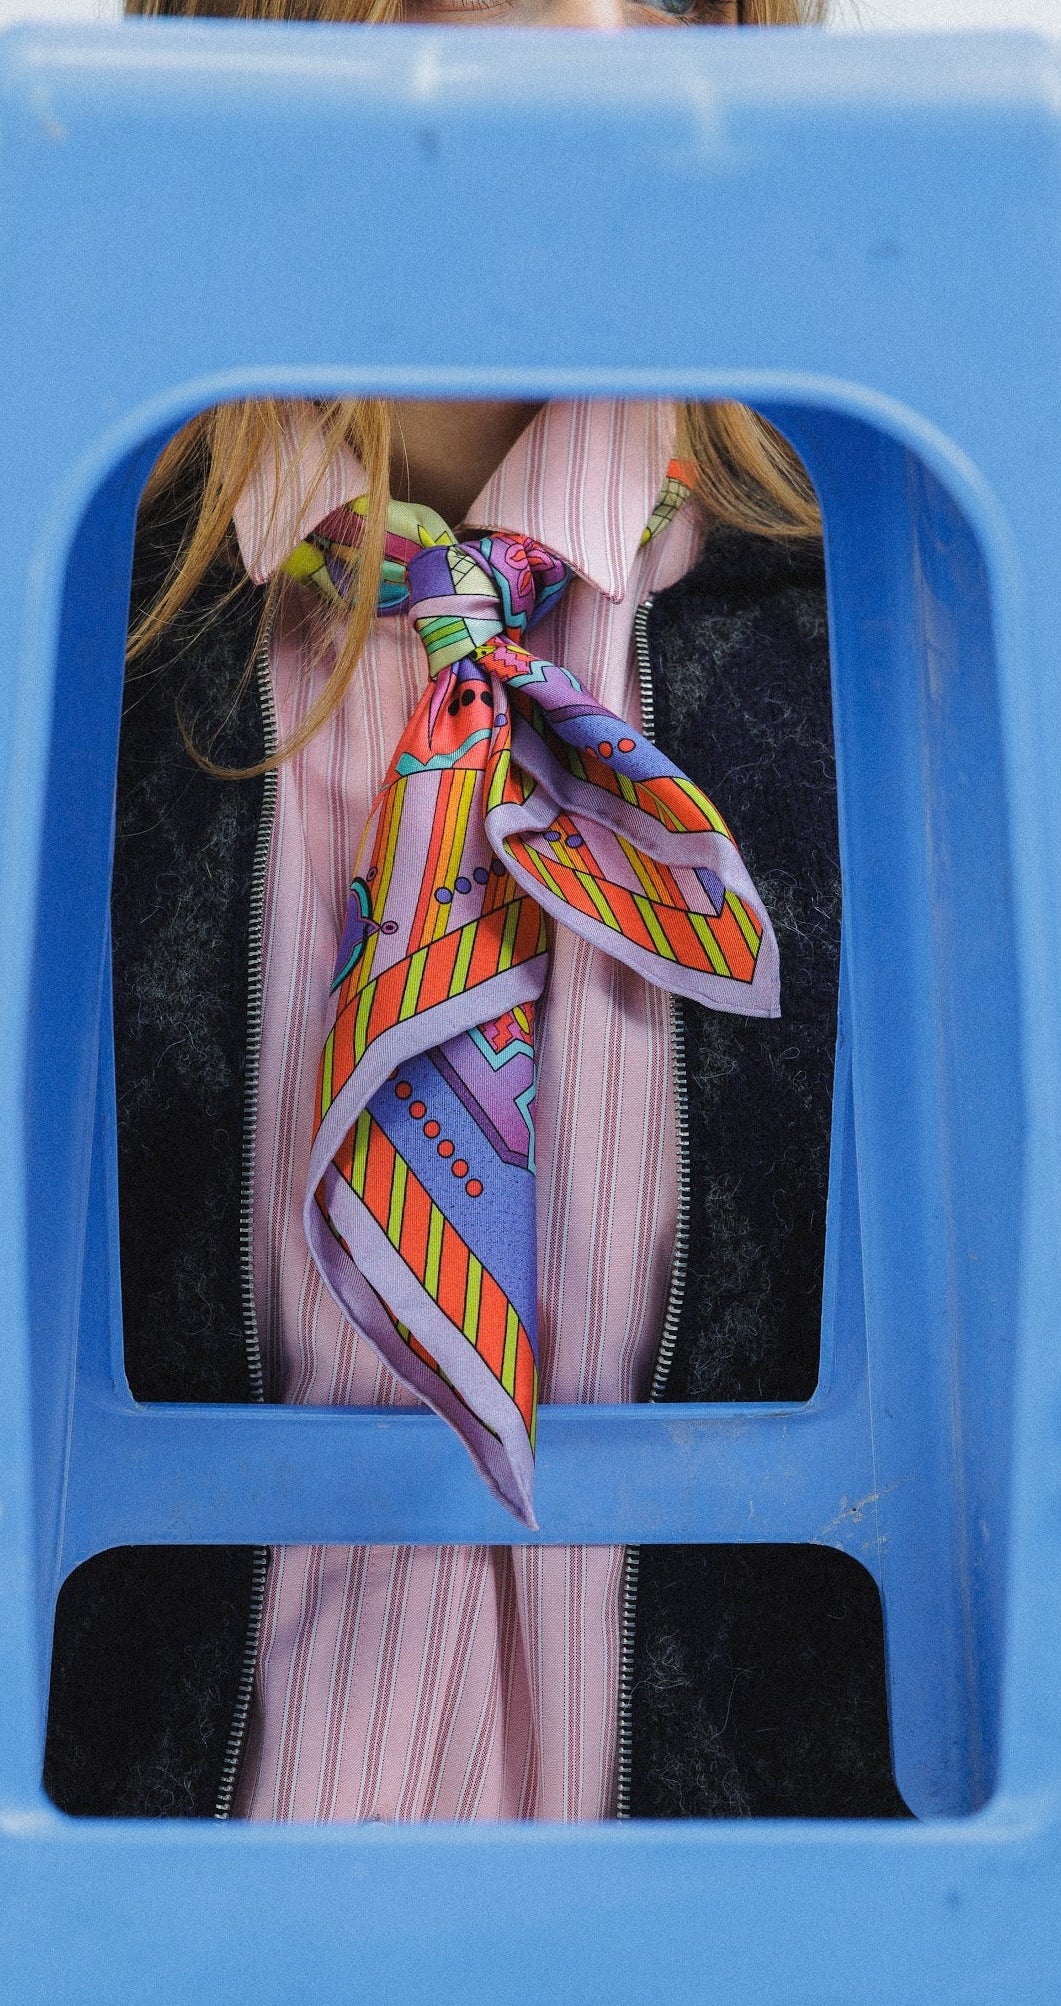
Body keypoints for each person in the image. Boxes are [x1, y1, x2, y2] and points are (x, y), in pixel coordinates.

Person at [44, 0, 908, 1823]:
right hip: (143, 1916)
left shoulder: (928, 622)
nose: (590, 27)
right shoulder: (56, 610)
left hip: (765, 1929)